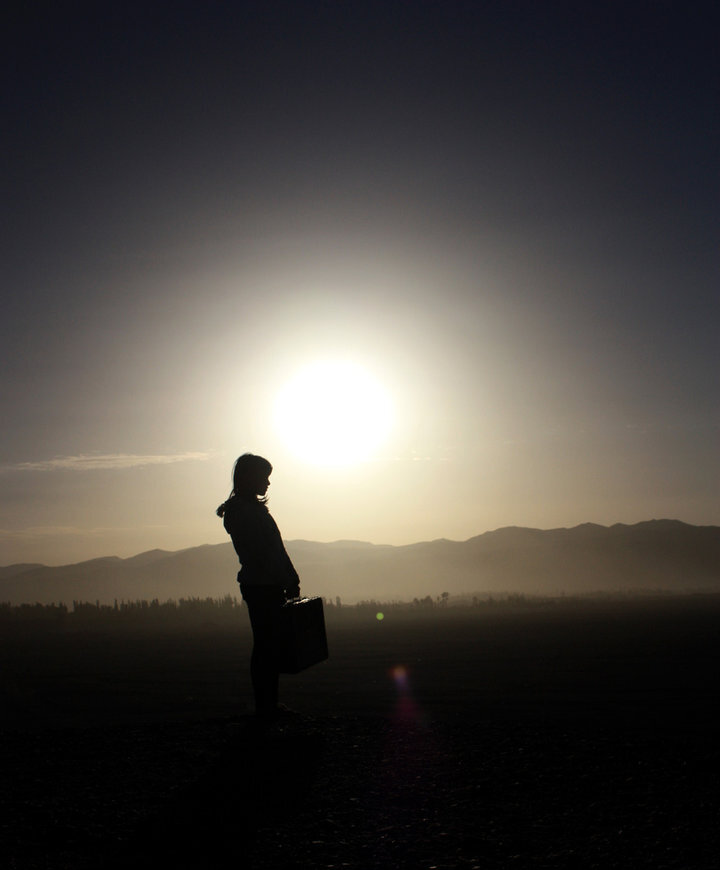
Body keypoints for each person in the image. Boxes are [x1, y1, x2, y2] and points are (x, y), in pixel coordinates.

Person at [217, 453, 300, 719]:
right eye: (264, 477)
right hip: (262, 585)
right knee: (266, 646)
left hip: (267, 584)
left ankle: (268, 705)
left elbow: (274, 549)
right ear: (249, 477)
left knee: (269, 645)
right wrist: (286, 577)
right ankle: (266, 707)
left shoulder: (248, 511)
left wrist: (290, 576)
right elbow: (263, 551)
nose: (267, 483)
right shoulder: (243, 512)